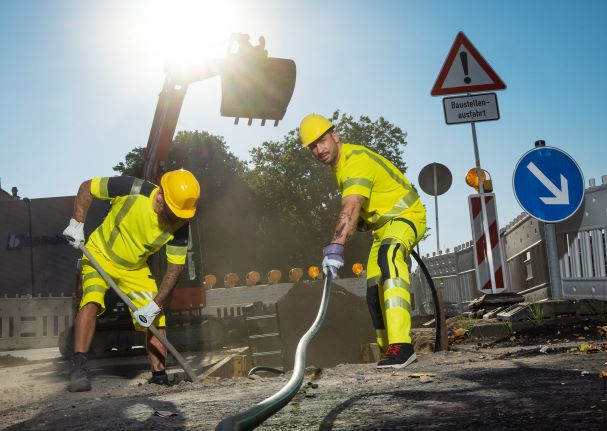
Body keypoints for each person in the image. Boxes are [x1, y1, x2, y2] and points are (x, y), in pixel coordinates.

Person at [299, 114, 426, 369]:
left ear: (336, 136)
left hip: (407, 216)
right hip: (383, 228)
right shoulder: (340, 167)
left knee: (389, 257)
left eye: (322, 141)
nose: (319, 149)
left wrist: (336, 247)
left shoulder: (355, 161)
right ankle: (388, 350)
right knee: (373, 289)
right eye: (312, 146)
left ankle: (403, 346)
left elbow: (351, 206)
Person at [62, 169, 200, 392]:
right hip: (99, 254)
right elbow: (87, 187)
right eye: (173, 211)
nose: (175, 218)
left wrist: (155, 305)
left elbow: (175, 269)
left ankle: (159, 376)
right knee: (91, 299)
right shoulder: (132, 188)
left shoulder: (181, 224)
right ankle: (78, 368)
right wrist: (77, 223)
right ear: (161, 195)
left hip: (135, 269)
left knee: (157, 316)